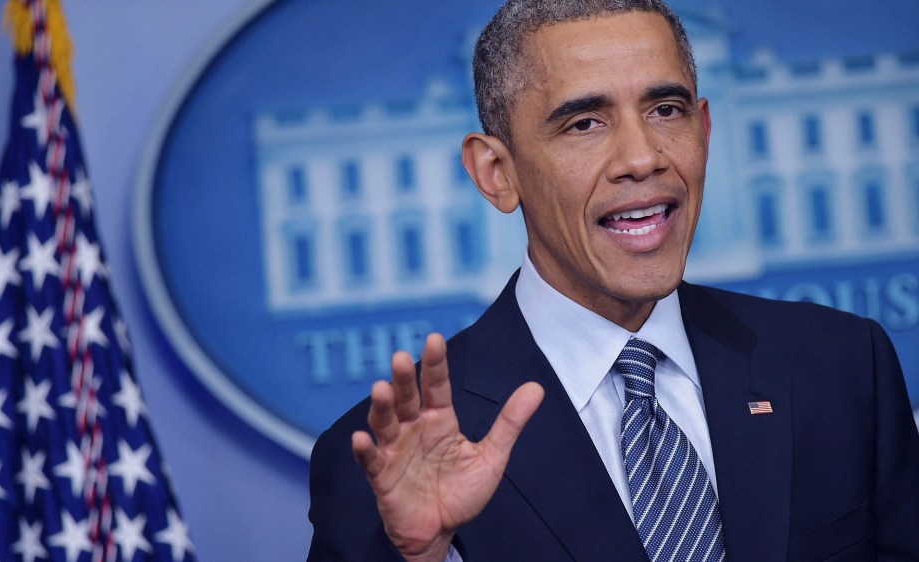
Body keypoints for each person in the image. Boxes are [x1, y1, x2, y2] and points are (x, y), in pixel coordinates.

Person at [306, 1, 919, 560]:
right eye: (584, 124)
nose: (642, 157)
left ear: (704, 132)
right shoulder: (383, 460)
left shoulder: (842, 365)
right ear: (497, 173)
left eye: (666, 110)